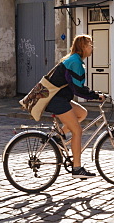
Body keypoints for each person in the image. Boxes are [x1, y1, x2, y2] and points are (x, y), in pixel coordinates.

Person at [45, 34, 105, 179]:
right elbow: (78, 89)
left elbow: (75, 87)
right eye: (90, 45)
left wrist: (92, 95)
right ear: (83, 46)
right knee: (77, 131)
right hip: (56, 100)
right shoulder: (75, 62)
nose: (92, 48)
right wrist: (96, 96)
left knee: (82, 113)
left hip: (60, 98)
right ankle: (77, 168)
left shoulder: (73, 59)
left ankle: (59, 138)